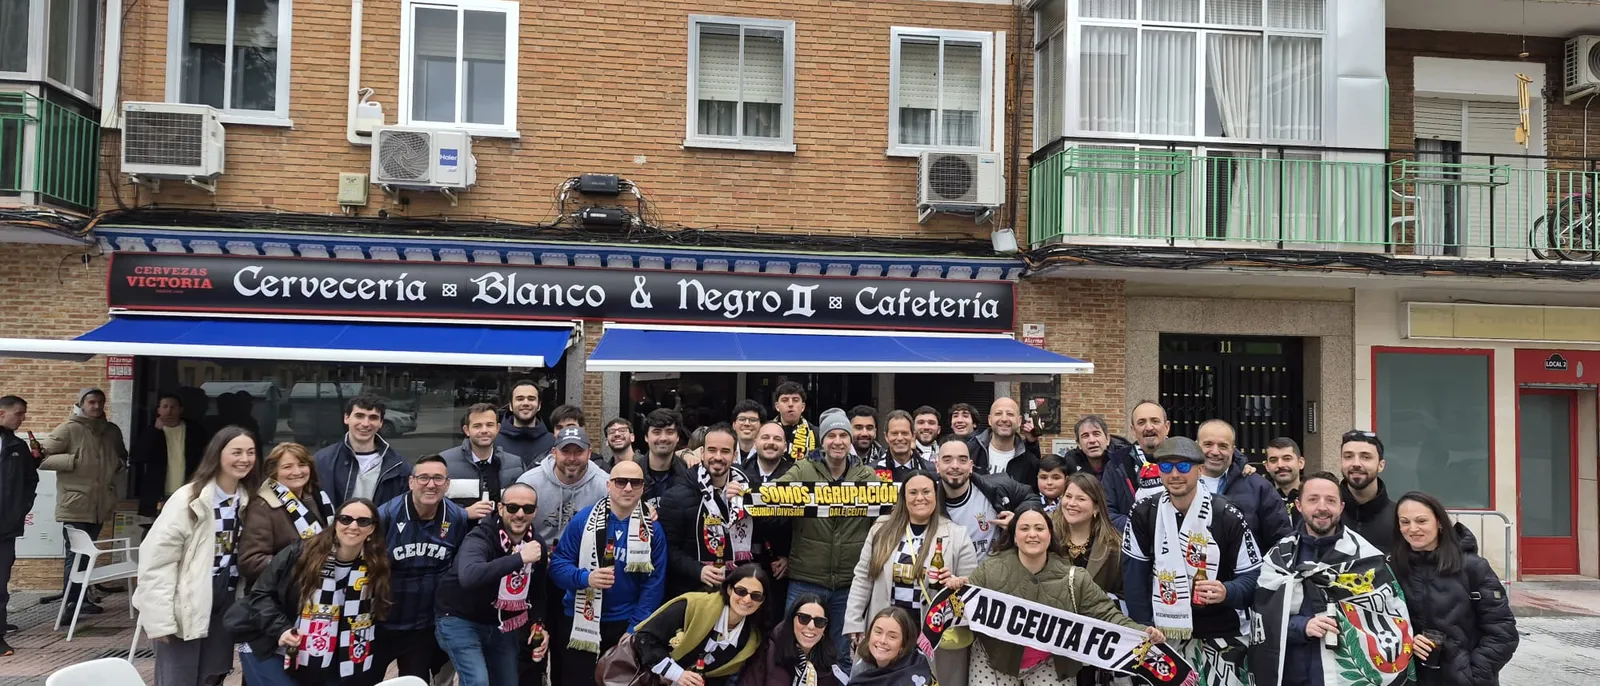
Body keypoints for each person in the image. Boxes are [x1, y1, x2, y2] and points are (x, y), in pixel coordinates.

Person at [960, 504, 1159, 686]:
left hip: (1049, 663)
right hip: (993, 660)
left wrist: (1141, 632)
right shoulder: (988, 570)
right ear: (1013, 536)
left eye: (1039, 528)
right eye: (1024, 528)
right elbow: (962, 608)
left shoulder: (1074, 578)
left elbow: (1106, 614)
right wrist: (956, 588)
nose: (1032, 534)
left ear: (1050, 534)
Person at [1122, 437, 1262, 686]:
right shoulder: (1144, 512)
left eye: (1184, 466)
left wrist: (1227, 590)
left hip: (1221, 633)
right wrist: (1144, 625)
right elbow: (1134, 577)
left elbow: (1254, 576)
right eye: (1166, 466)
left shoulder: (1226, 514)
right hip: (1163, 634)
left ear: (1200, 470)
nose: (1175, 474)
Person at [1249, 472, 1406, 686]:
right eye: (1313, 499)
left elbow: (1392, 619)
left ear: (1341, 507)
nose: (1322, 507)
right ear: (1299, 505)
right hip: (1294, 675)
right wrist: (1302, 626)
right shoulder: (1279, 558)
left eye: (1330, 500)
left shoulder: (1366, 557)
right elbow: (1262, 618)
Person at [133, 426, 261, 686]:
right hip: (186, 601)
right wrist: (160, 620)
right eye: (236, 452)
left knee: (213, 675)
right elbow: (157, 561)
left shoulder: (250, 500)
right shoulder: (189, 499)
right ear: (217, 454)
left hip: (226, 600)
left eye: (250, 452)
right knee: (179, 678)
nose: (244, 459)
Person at [844, 472, 977, 686]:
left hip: (932, 633)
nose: (920, 498)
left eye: (926, 492)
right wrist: (853, 621)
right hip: (888, 629)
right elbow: (862, 578)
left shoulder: (957, 534)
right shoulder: (881, 528)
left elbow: (971, 586)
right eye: (913, 492)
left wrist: (954, 582)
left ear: (936, 495)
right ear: (903, 497)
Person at [240, 498, 391, 686]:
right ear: (336, 522)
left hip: (334, 659)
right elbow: (260, 595)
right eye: (345, 519)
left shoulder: (377, 565)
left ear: (372, 528)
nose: (353, 526)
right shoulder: (300, 554)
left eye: (363, 521)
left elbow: (379, 612)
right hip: (272, 646)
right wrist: (281, 629)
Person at [777, 408, 882, 671]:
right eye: (831, 436)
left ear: (850, 440)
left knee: (844, 653)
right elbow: (774, 496)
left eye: (843, 435)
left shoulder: (866, 476)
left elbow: (881, 523)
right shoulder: (803, 469)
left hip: (849, 583)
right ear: (822, 441)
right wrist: (743, 493)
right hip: (807, 578)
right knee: (794, 648)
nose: (837, 441)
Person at [550, 460, 668, 683]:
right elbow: (557, 567)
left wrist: (634, 628)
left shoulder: (653, 530)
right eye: (621, 481)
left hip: (624, 623)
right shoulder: (583, 520)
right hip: (579, 618)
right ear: (608, 485)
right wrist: (586, 578)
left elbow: (654, 584)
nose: (628, 488)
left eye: (635, 482)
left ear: (643, 488)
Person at [1393, 491, 1518, 686]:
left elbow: (1503, 632)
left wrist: (1471, 677)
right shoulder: (1393, 568)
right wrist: (1408, 641)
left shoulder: (1473, 567)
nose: (1413, 529)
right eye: (1405, 522)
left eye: (1421, 521)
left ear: (1439, 522)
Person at [435, 483, 549, 686]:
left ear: (535, 511)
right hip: (460, 618)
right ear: (501, 508)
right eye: (513, 508)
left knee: (508, 682)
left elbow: (538, 590)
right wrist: (519, 559)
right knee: (478, 681)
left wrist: (538, 624)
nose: (520, 514)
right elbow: (469, 576)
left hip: (500, 623)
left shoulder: (535, 543)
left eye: (527, 508)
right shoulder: (481, 536)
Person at [375, 455, 470, 681]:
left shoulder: (456, 517)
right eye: (424, 478)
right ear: (411, 482)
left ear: (447, 484)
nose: (431, 484)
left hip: (423, 623)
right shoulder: (385, 515)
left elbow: (456, 567)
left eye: (438, 478)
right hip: (382, 620)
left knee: (416, 680)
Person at [38, 387, 126, 617]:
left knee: (87, 553)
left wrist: (118, 464)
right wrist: (72, 460)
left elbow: (122, 455)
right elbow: (40, 457)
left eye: (100, 402)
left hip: (100, 502)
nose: (96, 406)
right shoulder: (68, 428)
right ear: (82, 404)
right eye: (91, 402)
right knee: (75, 553)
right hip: (74, 502)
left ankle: (82, 599)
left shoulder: (111, 431)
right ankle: (70, 604)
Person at [633, 563, 772, 685]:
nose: (747, 599)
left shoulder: (751, 639)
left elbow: (721, 678)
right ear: (729, 589)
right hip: (647, 677)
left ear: (762, 601)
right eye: (741, 591)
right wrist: (677, 674)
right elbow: (645, 637)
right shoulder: (694, 606)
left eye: (756, 596)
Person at [662, 424, 753, 600]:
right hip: (693, 592)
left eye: (725, 451)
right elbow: (668, 549)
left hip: (738, 592)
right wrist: (699, 570)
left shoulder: (748, 489)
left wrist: (746, 500)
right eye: (712, 450)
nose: (717, 457)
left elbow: (763, 533)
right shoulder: (676, 496)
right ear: (702, 453)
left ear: (734, 456)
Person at [240, 443, 334, 585]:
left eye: (302, 465)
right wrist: (302, 566)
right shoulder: (262, 507)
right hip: (281, 591)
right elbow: (251, 561)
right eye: (287, 467)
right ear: (274, 472)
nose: (297, 472)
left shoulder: (318, 497)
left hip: (319, 587)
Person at [1195, 419, 1292, 551]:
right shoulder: (1180, 483)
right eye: (1208, 444)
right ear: (1196, 446)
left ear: (1233, 449)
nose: (1215, 451)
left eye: (1223, 446)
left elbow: (1281, 541)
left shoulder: (1259, 488)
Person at [935, 435, 1031, 559]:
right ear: (937, 466)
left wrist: (1019, 521)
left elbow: (1031, 497)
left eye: (962, 460)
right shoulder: (929, 504)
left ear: (971, 466)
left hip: (996, 569)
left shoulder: (996, 486)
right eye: (947, 460)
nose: (955, 465)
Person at [517, 426, 609, 548]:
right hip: (538, 551)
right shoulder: (529, 482)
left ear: (589, 453)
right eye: (565, 451)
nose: (572, 458)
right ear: (554, 453)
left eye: (579, 452)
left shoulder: (605, 485)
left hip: (584, 553)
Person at [314, 394, 410, 506]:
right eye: (359, 416)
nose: (365, 424)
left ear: (381, 423)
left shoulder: (398, 466)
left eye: (373, 417)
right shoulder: (322, 461)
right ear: (346, 418)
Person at [0, 396, 38, 655]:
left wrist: (20, 510)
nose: (22, 419)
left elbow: (30, 481)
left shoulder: (17, 446)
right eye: (18, 413)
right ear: (2, 413)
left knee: (0, 583)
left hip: (5, 528)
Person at [441, 403, 529, 516]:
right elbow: (432, 504)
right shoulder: (445, 463)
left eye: (489, 425)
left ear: (498, 428)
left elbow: (526, 503)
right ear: (466, 430)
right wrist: (464, 513)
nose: (484, 430)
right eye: (477, 426)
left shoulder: (516, 465)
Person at [739, 593, 843, 686]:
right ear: (791, 621)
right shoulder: (767, 652)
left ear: (825, 628)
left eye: (819, 621)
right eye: (804, 618)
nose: (811, 626)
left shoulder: (829, 663)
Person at [133, 392, 207, 517]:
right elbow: (138, 457)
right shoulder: (150, 430)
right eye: (165, 407)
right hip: (159, 493)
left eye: (173, 407)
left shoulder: (194, 431)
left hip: (188, 491)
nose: (169, 411)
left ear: (181, 410)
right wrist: (154, 431)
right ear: (158, 410)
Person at [1054, 472, 1123, 603]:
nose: (1071, 503)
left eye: (1081, 499)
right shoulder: (1047, 535)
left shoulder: (1114, 548)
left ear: (1096, 507)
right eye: (1068, 496)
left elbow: (1123, 594)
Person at [742, 421, 796, 588]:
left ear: (785, 446)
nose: (771, 442)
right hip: (743, 563)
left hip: (780, 566)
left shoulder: (797, 476)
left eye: (777, 439)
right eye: (765, 437)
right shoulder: (738, 474)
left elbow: (803, 525)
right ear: (755, 442)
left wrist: (790, 557)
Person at [1103, 400, 1171, 531]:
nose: (1149, 427)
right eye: (1141, 422)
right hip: (1134, 539)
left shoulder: (1185, 460)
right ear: (1133, 430)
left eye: (1155, 421)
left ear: (1167, 427)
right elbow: (1107, 513)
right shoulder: (1116, 465)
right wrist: (1140, 527)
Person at [1339, 430, 1398, 554]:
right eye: (1348, 457)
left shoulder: (1399, 519)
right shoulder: (1326, 516)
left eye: (1366, 457)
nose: (1356, 464)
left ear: (1381, 465)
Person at [844, 607, 933, 686]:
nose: (882, 641)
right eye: (878, 632)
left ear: (904, 643)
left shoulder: (920, 668)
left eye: (892, 637)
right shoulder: (861, 669)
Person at [966, 397, 1040, 481]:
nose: (1004, 419)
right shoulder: (971, 451)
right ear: (989, 420)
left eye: (1010, 414)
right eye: (998, 413)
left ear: (1019, 421)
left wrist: (1032, 443)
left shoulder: (1029, 460)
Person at [640, 408, 693, 508]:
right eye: (656, 432)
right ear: (646, 437)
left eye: (669, 432)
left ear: (677, 437)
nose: (663, 438)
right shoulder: (633, 472)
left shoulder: (689, 474)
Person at [497, 379, 555, 464]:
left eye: (531, 399)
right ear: (510, 406)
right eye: (520, 399)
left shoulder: (552, 442)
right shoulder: (494, 442)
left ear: (539, 406)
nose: (525, 403)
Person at [1064, 414, 1133, 479]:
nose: (1092, 440)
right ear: (1079, 444)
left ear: (1107, 439)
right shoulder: (1071, 462)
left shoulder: (1125, 459)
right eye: (1085, 436)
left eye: (1096, 434)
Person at [871, 410, 931, 483]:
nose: (900, 438)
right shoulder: (872, 471)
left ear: (913, 436)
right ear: (886, 437)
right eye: (894, 433)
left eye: (904, 433)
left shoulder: (931, 469)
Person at [1263, 437, 1305, 524]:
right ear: (1267, 466)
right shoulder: (1261, 500)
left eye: (1287, 459)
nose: (1280, 465)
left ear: (1300, 463)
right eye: (1273, 460)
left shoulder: (1314, 497)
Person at [773, 382, 818, 461]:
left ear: (803, 407)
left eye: (795, 400)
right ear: (777, 406)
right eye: (785, 400)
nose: (790, 404)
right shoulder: (765, 431)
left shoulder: (816, 433)